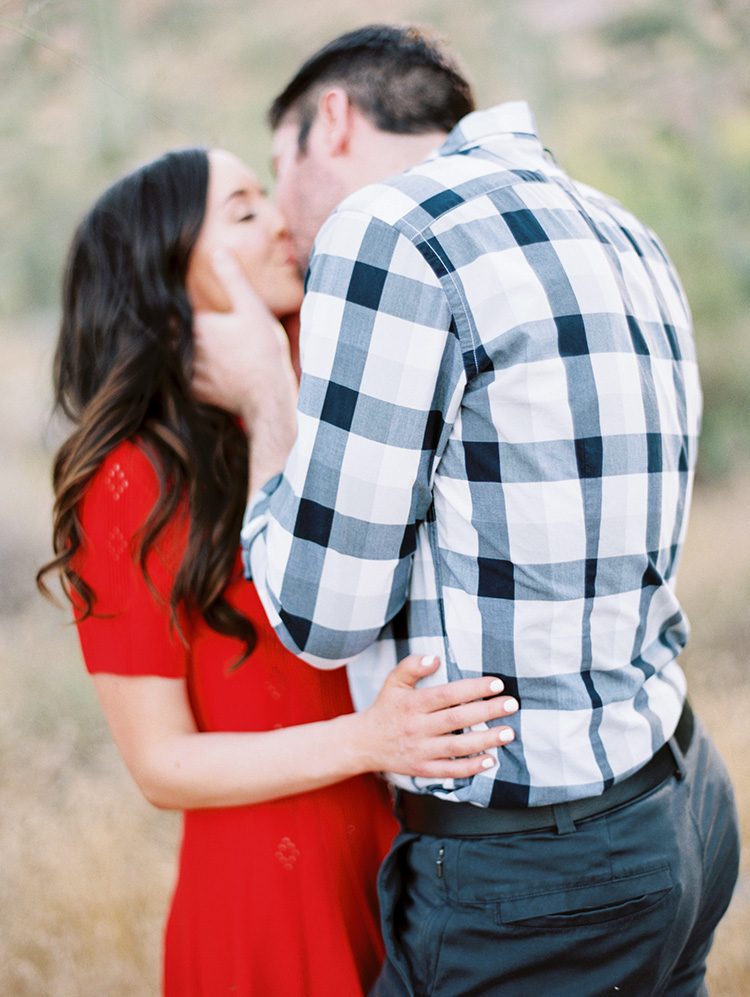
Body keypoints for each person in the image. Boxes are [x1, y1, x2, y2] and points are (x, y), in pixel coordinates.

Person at [192, 24, 741, 997]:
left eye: (277, 170)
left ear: (333, 121)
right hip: (682, 807)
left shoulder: (387, 229)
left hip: (534, 874)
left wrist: (271, 397)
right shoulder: (622, 230)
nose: (283, 216)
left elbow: (324, 618)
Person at [36, 146, 519, 997]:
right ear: (168, 266)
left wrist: (272, 394)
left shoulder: (330, 384)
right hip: (272, 894)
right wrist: (368, 739)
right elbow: (161, 764)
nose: (282, 225)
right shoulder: (125, 479)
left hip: (411, 854)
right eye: (245, 210)